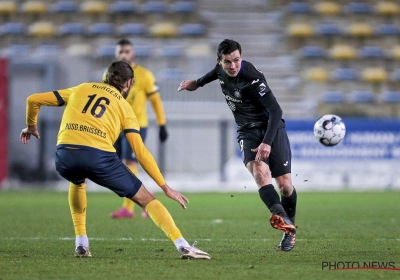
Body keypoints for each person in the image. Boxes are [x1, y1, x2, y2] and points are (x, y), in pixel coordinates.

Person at [20, 60, 211, 259]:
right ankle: (183, 246)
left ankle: (81, 244)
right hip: (98, 156)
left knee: (77, 181)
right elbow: (140, 152)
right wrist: (165, 187)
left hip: (64, 156)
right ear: (128, 84)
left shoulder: (81, 88)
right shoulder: (124, 106)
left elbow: (33, 99)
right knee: (147, 200)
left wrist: (31, 126)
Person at [178, 39, 297, 252]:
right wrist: (195, 84)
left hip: (271, 127)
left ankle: (288, 221)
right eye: (228, 62)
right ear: (220, 61)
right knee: (259, 171)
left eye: (236, 60)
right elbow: (210, 76)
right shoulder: (220, 70)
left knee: (286, 186)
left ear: (241, 57)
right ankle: (286, 226)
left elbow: (276, 111)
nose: (233, 66)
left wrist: (267, 143)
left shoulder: (253, 77)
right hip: (247, 130)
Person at [106, 39, 168, 219]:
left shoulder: (145, 75)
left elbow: (156, 101)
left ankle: (128, 209)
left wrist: (162, 124)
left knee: (129, 162)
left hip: (136, 125)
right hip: (115, 126)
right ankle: (146, 193)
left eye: (127, 51)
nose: (124, 54)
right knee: (116, 167)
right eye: (120, 52)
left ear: (132, 53)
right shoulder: (108, 74)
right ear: (116, 54)